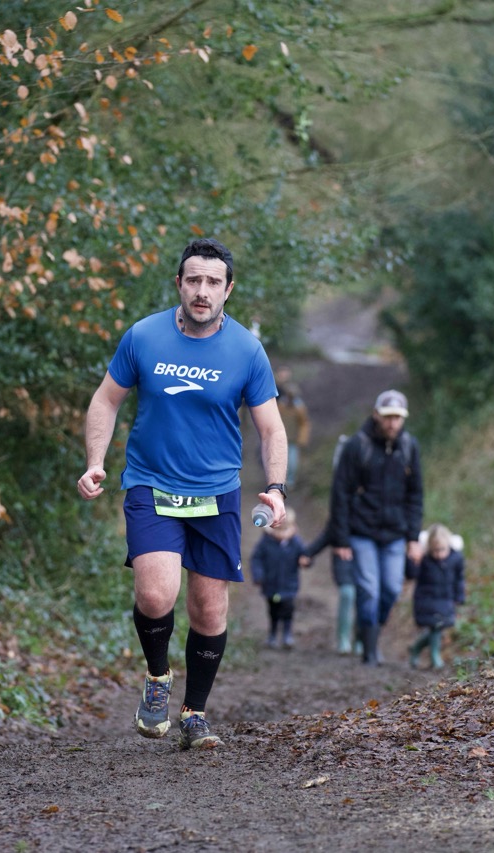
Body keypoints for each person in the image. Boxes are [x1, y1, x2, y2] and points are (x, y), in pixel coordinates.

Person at [76, 237, 289, 751]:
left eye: (213, 282)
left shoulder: (247, 350)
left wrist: (276, 488)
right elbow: (105, 401)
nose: (202, 291)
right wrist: (96, 461)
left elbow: (272, 429)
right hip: (151, 482)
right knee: (155, 594)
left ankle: (195, 714)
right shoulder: (144, 336)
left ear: (228, 290)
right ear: (179, 283)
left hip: (217, 493)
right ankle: (157, 676)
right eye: (193, 280)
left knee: (209, 611)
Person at [328, 389, 424, 666]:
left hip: (395, 533)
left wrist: (413, 537)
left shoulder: (409, 447)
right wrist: (341, 539)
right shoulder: (357, 446)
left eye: (398, 418)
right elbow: (340, 494)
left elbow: (416, 495)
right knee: (369, 589)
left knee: (392, 589)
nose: (393, 423)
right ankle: (369, 652)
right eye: (388, 417)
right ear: (376, 415)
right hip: (362, 531)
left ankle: (368, 630)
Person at [305, 435, 360, 655]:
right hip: (343, 556)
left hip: (365, 552)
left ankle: (361, 639)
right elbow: (329, 532)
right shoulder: (340, 506)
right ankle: (343, 638)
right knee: (347, 592)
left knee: (366, 595)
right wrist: (308, 553)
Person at [406, 524, 466, 670]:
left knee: (439, 626)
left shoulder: (456, 559)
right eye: (435, 550)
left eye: (442, 550)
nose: (439, 554)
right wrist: (412, 560)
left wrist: (459, 596)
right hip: (426, 599)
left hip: (446, 598)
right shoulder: (425, 559)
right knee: (436, 626)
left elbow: (459, 579)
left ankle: (416, 648)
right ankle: (435, 657)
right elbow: (411, 574)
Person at [249, 506, 309, 649]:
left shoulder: (295, 542)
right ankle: (273, 634)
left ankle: (287, 634)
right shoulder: (266, 541)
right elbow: (256, 559)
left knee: (288, 609)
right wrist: (258, 575)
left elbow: (305, 554)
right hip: (271, 584)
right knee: (273, 610)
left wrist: (306, 560)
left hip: (289, 584)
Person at [274, 366, 311, 490]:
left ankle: (289, 480)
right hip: (281, 437)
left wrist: (302, 439)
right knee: (280, 459)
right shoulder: (281, 406)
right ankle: (280, 480)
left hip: (293, 438)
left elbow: (304, 423)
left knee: (292, 461)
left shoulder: (298, 407)